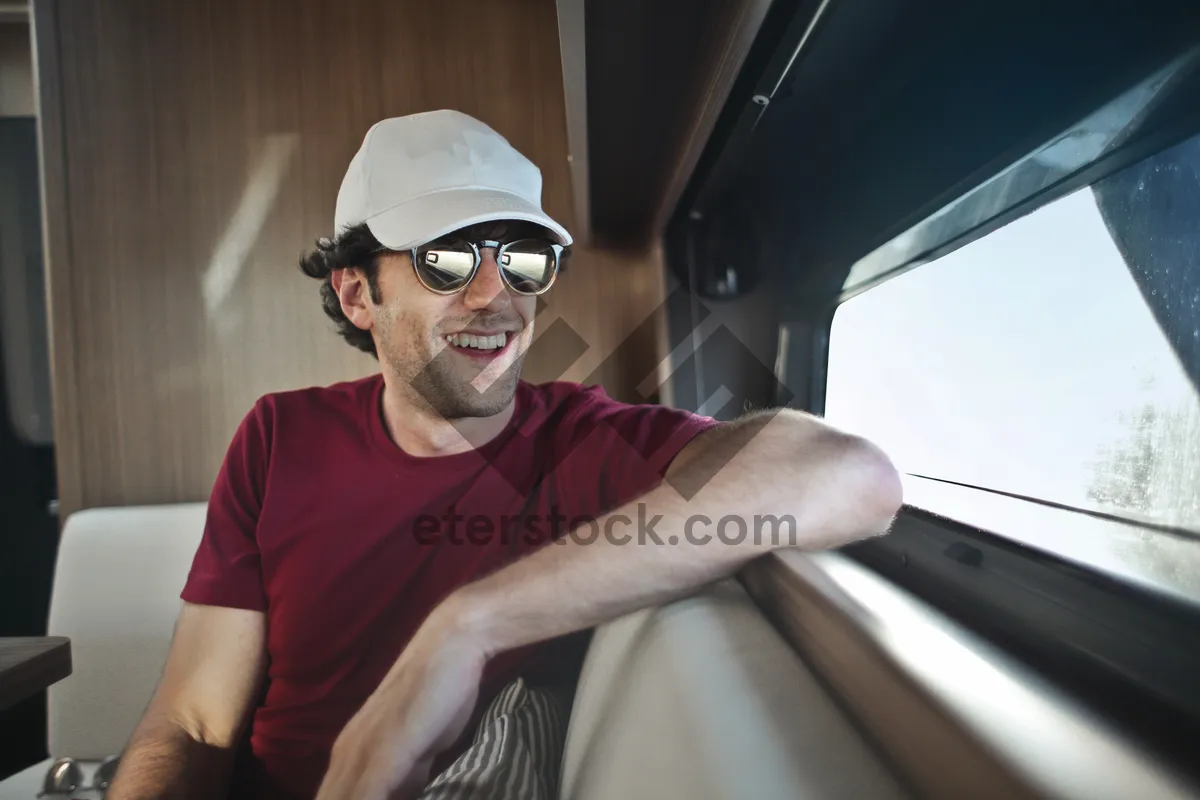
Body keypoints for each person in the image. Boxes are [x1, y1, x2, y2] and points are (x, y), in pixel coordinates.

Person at [106, 110, 902, 800]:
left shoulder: (586, 445)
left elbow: (847, 475)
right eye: (446, 260)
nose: (496, 297)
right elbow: (192, 722)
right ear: (358, 295)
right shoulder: (278, 439)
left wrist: (469, 626)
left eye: (521, 260)